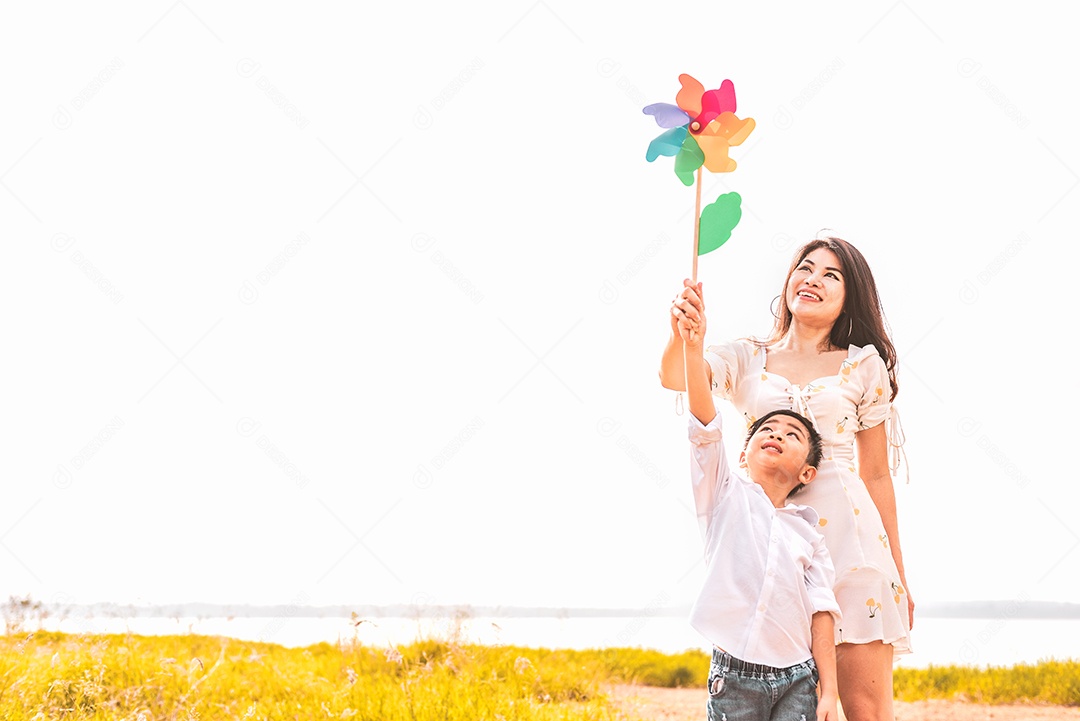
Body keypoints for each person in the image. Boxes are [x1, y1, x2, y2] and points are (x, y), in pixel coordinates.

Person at [661, 236, 913, 721]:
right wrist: (683, 333)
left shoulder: (863, 365)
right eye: (806, 267)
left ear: (849, 297)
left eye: (831, 275)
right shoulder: (746, 356)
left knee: (866, 710)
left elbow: (877, 474)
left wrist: (899, 573)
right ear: (790, 279)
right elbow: (677, 376)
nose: (813, 279)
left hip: (853, 551)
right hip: (769, 556)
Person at [677, 303, 840, 721]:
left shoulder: (809, 535)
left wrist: (829, 692)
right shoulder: (725, 495)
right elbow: (705, 429)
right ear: (744, 456)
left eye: (792, 433)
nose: (776, 433)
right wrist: (693, 351)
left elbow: (822, 612)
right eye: (765, 430)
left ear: (808, 470)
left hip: (799, 678)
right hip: (734, 678)